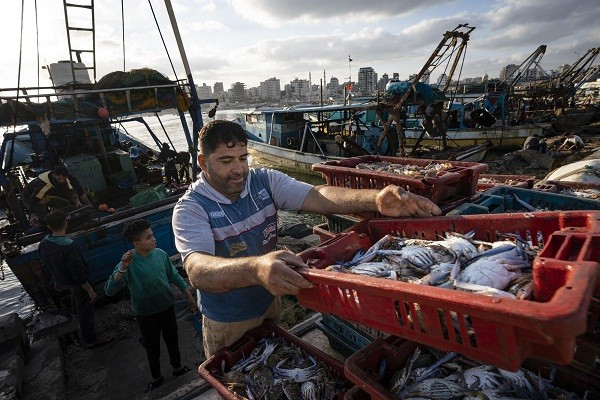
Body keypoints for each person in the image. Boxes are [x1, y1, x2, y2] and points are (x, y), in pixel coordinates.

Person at [172, 120, 441, 358]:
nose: (239, 169)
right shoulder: (191, 208)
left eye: (243, 158)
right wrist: (256, 269)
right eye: (226, 161)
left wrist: (376, 199)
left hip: (269, 300)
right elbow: (198, 270)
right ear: (203, 162)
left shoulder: (263, 181)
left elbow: (318, 195)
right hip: (227, 319)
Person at [104, 219, 197, 392]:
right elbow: (109, 290)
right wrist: (123, 268)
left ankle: (177, 368)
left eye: (152, 235)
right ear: (137, 244)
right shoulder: (129, 262)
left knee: (172, 340)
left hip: (166, 307)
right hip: (145, 314)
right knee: (152, 347)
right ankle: (156, 377)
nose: (154, 239)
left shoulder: (160, 254)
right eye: (149, 237)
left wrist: (188, 295)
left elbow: (174, 276)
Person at [38, 210, 104, 349]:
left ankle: (79, 328)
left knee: (76, 305)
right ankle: (91, 340)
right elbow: (78, 273)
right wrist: (90, 290)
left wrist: (57, 280)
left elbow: (46, 265)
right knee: (85, 311)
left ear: (49, 226)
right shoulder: (69, 246)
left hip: (64, 282)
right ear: (65, 223)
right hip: (78, 284)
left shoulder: (44, 244)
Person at [22, 165, 86, 226]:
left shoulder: (65, 179)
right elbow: (33, 200)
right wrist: (33, 214)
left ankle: (65, 222)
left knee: (65, 203)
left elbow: (71, 191)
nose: (62, 181)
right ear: (54, 175)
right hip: (31, 197)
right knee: (43, 219)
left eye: (64, 179)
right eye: (59, 178)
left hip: (47, 196)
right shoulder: (44, 186)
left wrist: (77, 201)